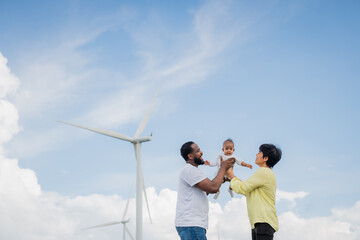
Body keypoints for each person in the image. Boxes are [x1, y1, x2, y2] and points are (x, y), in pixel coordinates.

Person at [175, 141, 235, 240]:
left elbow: (206, 190)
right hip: (192, 225)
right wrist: (223, 167)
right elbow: (212, 188)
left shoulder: (191, 171)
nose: (201, 152)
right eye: (198, 151)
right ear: (190, 156)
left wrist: (220, 180)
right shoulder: (190, 170)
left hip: (191, 225)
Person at [226, 144, 282, 240]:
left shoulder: (264, 171)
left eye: (259, 152)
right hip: (260, 222)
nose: (256, 154)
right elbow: (247, 191)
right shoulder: (266, 173)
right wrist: (233, 179)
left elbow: (243, 188)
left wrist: (231, 175)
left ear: (265, 158)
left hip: (263, 221)